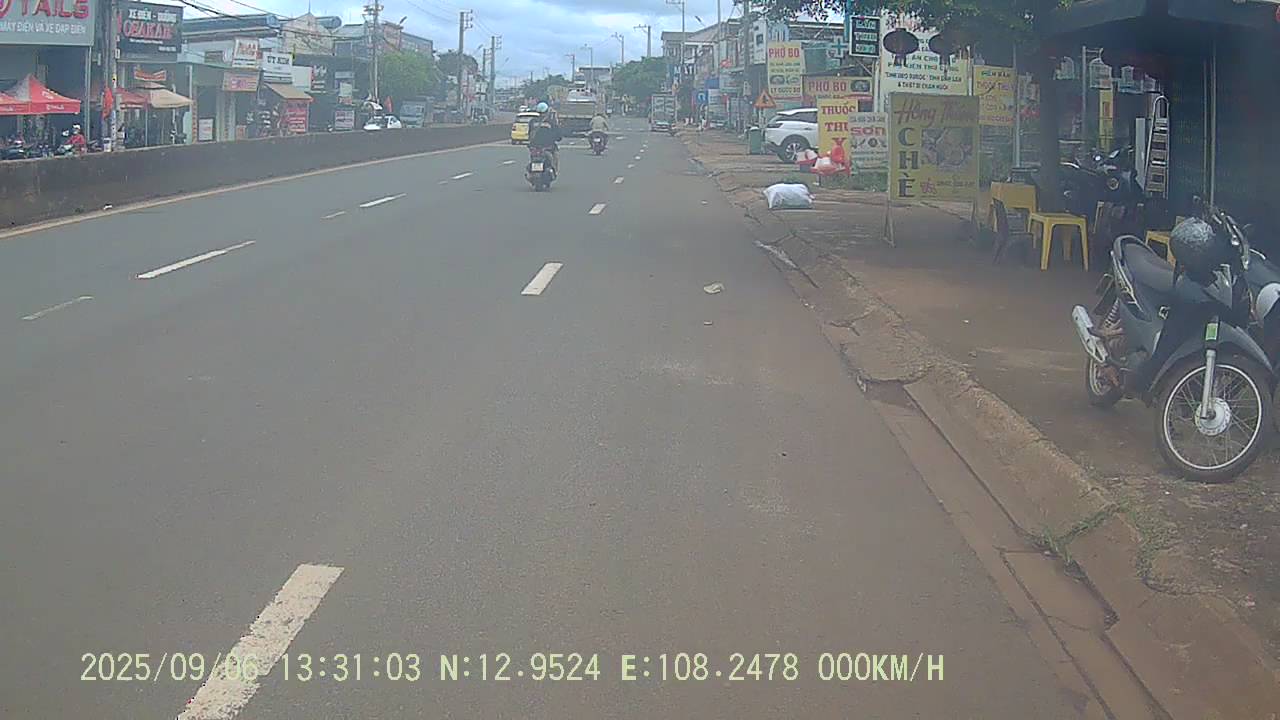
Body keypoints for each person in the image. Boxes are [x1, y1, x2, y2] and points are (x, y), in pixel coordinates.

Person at [528, 102, 563, 174]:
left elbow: (529, 134)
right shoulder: (551, 122)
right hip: (548, 146)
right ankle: (555, 170)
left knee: (533, 156)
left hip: (535, 146)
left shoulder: (532, 121)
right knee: (555, 155)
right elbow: (558, 134)